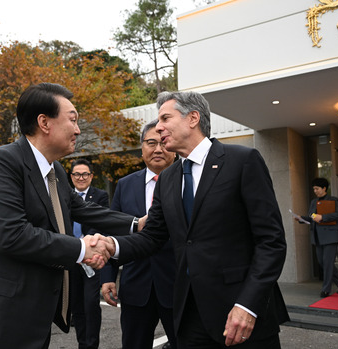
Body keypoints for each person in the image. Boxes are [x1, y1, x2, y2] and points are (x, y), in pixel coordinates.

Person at [0, 83, 138, 349]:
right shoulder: (3, 162)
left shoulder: (54, 169)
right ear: (44, 122)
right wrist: (82, 248)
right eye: (73, 120)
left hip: (31, 314)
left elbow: (80, 208)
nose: (78, 130)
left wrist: (136, 223)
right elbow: (11, 235)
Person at [97, 91, 289, 348]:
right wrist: (112, 246)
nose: (159, 127)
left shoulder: (242, 161)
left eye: (165, 118)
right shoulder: (168, 178)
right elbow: (152, 237)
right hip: (189, 316)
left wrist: (247, 305)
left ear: (193, 118)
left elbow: (271, 242)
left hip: (241, 313)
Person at [101, 119, 177, 349]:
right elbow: (113, 231)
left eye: (163, 143)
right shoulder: (125, 185)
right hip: (136, 285)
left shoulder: (188, 180)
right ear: (142, 147)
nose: (157, 149)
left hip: (178, 285)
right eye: (151, 143)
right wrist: (107, 278)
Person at [69, 158, 109, 349]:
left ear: (91, 176)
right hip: (71, 257)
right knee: (76, 304)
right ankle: (82, 343)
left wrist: (86, 245)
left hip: (92, 257)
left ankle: (91, 345)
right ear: (71, 177)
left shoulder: (100, 196)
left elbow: (100, 221)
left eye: (85, 174)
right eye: (77, 174)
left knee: (91, 303)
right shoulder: (65, 196)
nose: (81, 178)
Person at [297, 178, 338, 298]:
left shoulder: (333, 200)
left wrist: (323, 217)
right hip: (317, 236)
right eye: (314, 189)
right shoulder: (313, 202)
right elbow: (311, 217)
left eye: (317, 188)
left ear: (324, 188)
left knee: (328, 263)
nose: (315, 191)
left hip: (330, 235)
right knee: (323, 262)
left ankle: (326, 289)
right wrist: (301, 219)